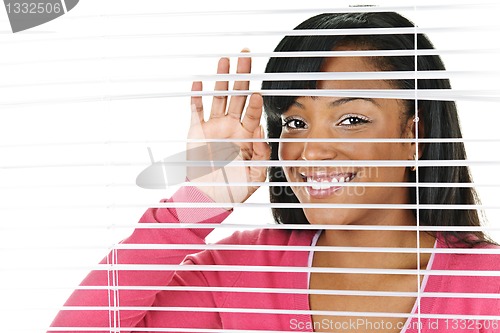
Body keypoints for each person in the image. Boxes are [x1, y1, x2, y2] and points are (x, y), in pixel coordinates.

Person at [49, 12, 499, 333]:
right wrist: (202, 199)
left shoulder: (487, 287)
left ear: (413, 135)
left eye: (350, 119)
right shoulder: (242, 269)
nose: (311, 151)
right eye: (295, 122)